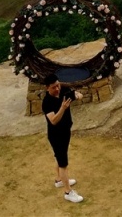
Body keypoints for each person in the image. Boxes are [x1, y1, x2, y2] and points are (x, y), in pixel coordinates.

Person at [42, 74, 84, 202]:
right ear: (47, 88)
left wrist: (77, 95)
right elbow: (53, 121)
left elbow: (76, 94)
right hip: (56, 136)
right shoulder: (46, 102)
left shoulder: (63, 92)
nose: (57, 89)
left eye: (58, 85)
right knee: (63, 164)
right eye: (54, 87)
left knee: (60, 157)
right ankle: (68, 192)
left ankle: (59, 180)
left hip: (66, 131)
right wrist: (62, 108)